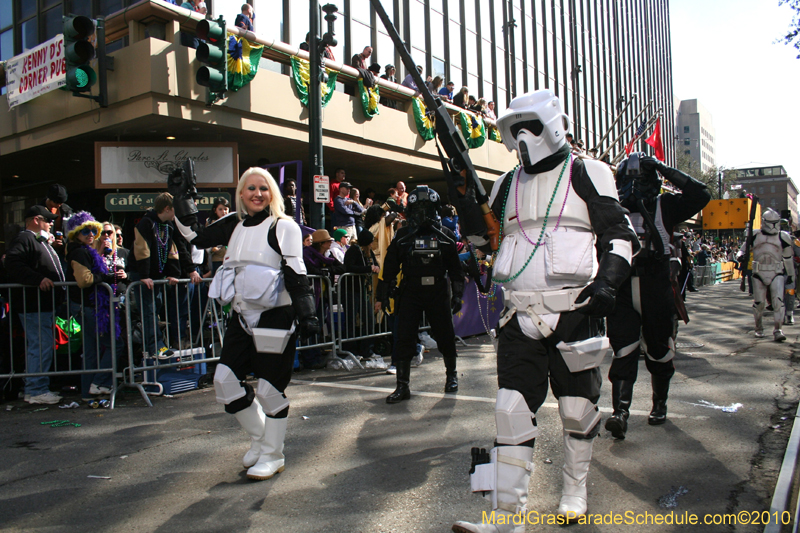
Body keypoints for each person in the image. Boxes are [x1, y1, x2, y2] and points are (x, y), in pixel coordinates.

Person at [453, 90, 639, 530]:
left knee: (577, 408)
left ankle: (575, 490)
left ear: (553, 125)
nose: (522, 137)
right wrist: (464, 201)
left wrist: (608, 282)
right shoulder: (505, 184)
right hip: (518, 314)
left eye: (529, 126)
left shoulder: (586, 172)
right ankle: (506, 517)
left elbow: (618, 234)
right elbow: (484, 241)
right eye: (514, 129)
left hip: (575, 310)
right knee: (510, 411)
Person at [171, 167, 320, 481]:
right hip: (241, 316)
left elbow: (296, 272)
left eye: (263, 188)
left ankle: (273, 455)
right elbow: (195, 235)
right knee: (225, 382)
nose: (257, 194)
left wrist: (308, 315)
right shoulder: (234, 223)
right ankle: (262, 439)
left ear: (272, 193)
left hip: (276, 315)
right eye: (251, 188)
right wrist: (182, 199)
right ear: (241, 193)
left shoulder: (283, 226)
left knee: (270, 390)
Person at [604, 153, 710, 439]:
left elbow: (701, 194)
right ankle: (620, 412)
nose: (633, 186)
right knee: (623, 349)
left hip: (656, 283)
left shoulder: (666, 205)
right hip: (623, 284)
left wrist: (665, 169)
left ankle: (659, 404)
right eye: (629, 179)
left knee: (660, 350)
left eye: (640, 178)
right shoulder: (612, 208)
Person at [378, 186, 464, 403]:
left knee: (445, 334)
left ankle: (452, 376)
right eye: (419, 208)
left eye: (427, 208)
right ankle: (402, 385)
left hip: (437, 290)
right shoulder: (403, 235)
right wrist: (384, 293)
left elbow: (455, 269)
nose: (423, 213)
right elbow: (390, 266)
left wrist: (457, 294)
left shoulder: (445, 235)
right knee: (404, 337)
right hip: (411, 290)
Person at [4, 206, 66, 404]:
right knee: (40, 345)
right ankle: (36, 389)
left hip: (41, 304)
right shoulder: (25, 238)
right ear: (36, 220)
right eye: (47, 220)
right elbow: (12, 262)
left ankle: (35, 388)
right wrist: (37, 279)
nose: (51, 224)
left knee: (41, 345)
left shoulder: (37, 240)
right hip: (34, 305)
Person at [64, 213, 122, 402]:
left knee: (92, 351)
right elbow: (85, 280)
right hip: (87, 307)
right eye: (85, 231)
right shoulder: (79, 252)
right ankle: (99, 383)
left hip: (88, 306)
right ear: (76, 234)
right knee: (115, 345)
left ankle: (87, 393)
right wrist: (106, 277)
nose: (91, 234)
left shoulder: (85, 250)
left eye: (93, 230)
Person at [131, 193, 188, 358]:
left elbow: (171, 250)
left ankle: (158, 345)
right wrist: (144, 275)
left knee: (156, 308)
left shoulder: (168, 225)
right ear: (167, 208)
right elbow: (142, 249)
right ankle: (155, 347)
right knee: (148, 311)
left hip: (156, 276)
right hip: (143, 275)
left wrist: (173, 273)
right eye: (175, 209)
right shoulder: (146, 223)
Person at [749, 209, 795, 341]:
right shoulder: (755, 235)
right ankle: (758, 328)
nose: (773, 225)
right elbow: (744, 249)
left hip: (776, 272)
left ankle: (778, 329)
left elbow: (788, 257)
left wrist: (791, 274)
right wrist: (741, 256)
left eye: (775, 222)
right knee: (759, 303)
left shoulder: (783, 236)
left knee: (778, 302)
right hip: (759, 272)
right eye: (771, 222)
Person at [39, 183, 72, 257]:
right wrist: (51, 243)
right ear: (49, 198)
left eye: (61, 202)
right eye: (56, 202)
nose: (59, 205)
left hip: (64, 251)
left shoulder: (66, 211)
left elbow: (70, 230)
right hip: (46, 251)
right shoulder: (39, 211)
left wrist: (64, 242)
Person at [207, 198, 231, 275]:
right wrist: (211, 249)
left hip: (230, 258)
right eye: (220, 209)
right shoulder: (210, 223)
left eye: (225, 209)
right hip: (217, 259)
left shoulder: (233, 222)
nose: (223, 212)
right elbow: (206, 240)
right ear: (215, 210)